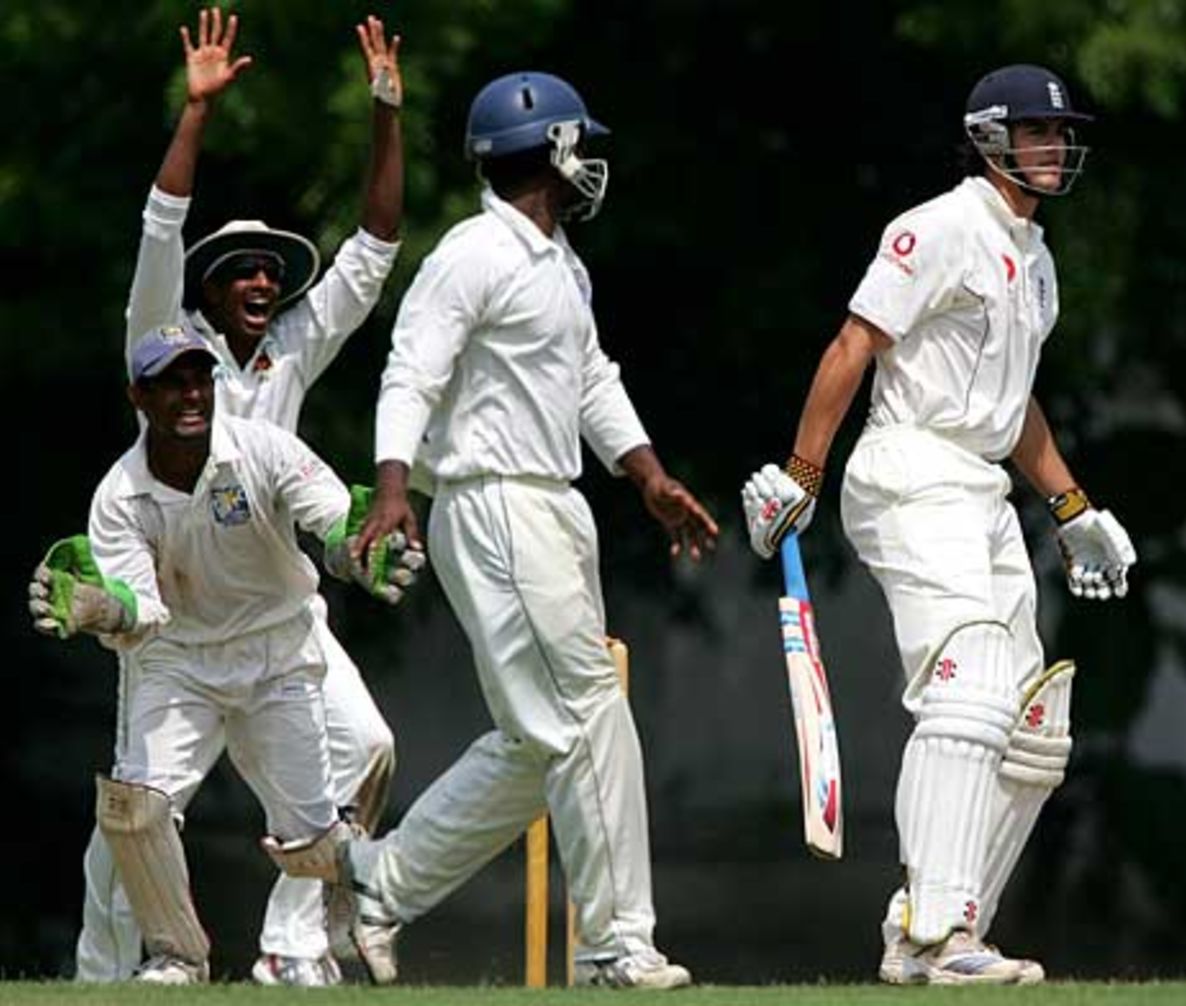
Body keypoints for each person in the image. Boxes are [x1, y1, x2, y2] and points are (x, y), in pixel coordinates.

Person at [263, 70, 719, 990]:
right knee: (588, 718)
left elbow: (591, 378)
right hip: (496, 500)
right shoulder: (472, 253)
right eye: (578, 145)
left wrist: (649, 475)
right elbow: (411, 373)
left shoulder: (561, 263)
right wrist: (394, 489)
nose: (589, 162)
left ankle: (380, 878)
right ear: (549, 151)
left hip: (555, 504)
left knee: (536, 738)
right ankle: (614, 948)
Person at [741, 64, 1137, 985]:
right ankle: (935, 931)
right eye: (1039, 133)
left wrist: (1074, 510)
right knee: (967, 698)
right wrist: (803, 471)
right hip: (910, 470)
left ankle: (942, 934)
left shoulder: (1034, 258)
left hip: (982, 489)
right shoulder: (937, 227)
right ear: (993, 140)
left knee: (1034, 730)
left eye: (1061, 134)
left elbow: (1013, 401)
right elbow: (854, 343)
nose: (1056, 148)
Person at [71, 7, 408, 987]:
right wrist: (195, 115)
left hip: (273, 605)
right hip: (172, 614)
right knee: (136, 809)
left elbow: (377, 246)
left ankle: (291, 947)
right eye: (238, 272)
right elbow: (158, 231)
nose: (258, 279)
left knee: (368, 748)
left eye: (269, 269)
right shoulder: (164, 339)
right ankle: (99, 971)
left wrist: (385, 106)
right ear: (206, 293)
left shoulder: (297, 343)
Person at [28, 322, 424, 986]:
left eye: (198, 379)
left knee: (313, 839)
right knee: (135, 808)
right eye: (170, 383)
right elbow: (142, 606)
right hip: (177, 658)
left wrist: (359, 551)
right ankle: (176, 958)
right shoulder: (119, 494)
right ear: (140, 396)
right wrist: (99, 608)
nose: (190, 395)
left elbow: (330, 516)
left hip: (277, 654)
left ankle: (331, 935)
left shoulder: (262, 448)